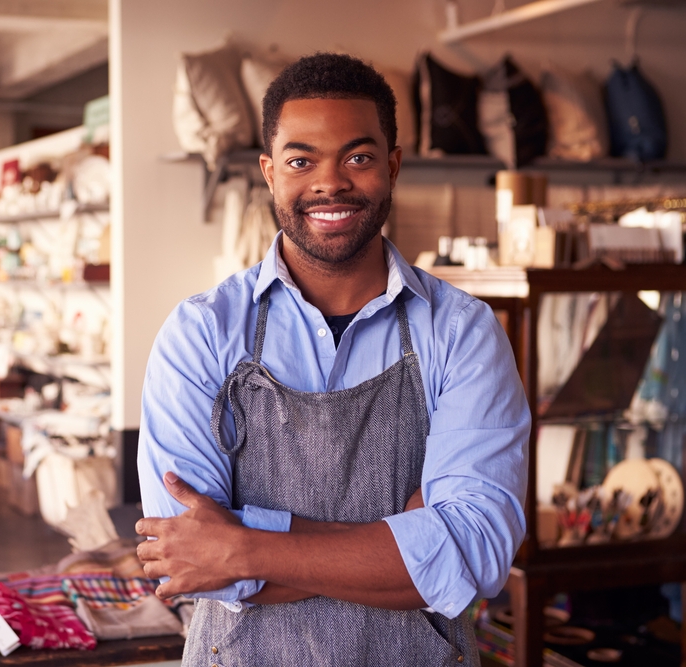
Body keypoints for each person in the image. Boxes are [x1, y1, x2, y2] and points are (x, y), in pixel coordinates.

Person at [136, 53, 530, 666]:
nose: (331, 182)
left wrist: (243, 546)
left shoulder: (463, 332)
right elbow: (187, 555)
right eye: (301, 161)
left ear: (393, 166)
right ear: (269, 172)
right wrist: (408, 542)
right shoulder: (202, 333)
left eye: (359, 157)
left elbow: (475, 549)